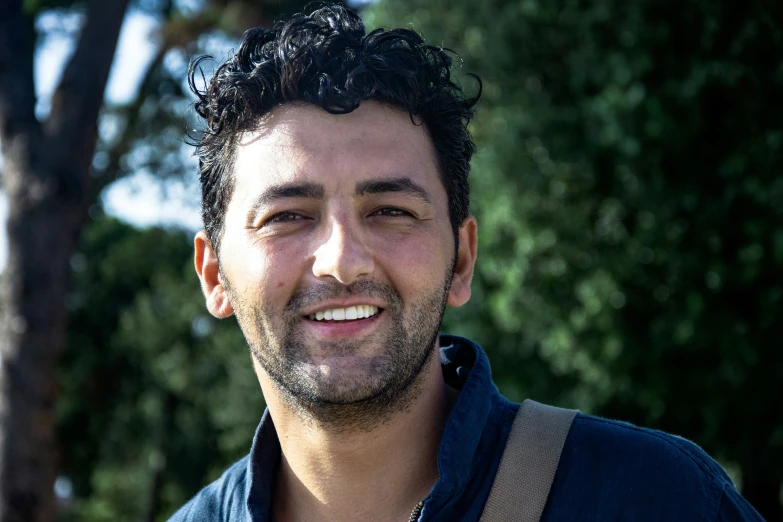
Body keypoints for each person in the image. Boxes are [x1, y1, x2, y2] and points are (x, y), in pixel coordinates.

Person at [171, 5, 764, 521]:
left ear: (462, 260)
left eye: (391, 211)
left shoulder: (659, 499)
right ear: (214, 274)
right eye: (287, 217)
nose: (342, 261)